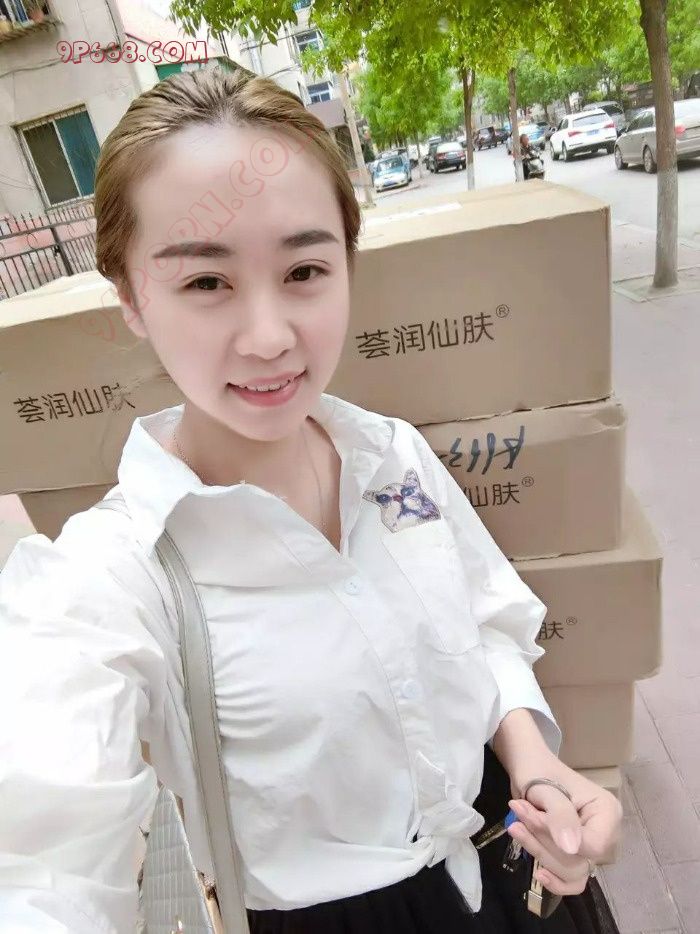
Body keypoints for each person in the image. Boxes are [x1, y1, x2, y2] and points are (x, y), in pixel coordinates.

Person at [0, 68, 622, 934]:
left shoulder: (391, 454)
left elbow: (481, 620)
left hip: (521, 875)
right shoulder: (110, 580)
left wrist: (534, 763)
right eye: (206, 283)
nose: (269, 338)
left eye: (304, 270)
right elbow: (41, 858)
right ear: (132, 298)